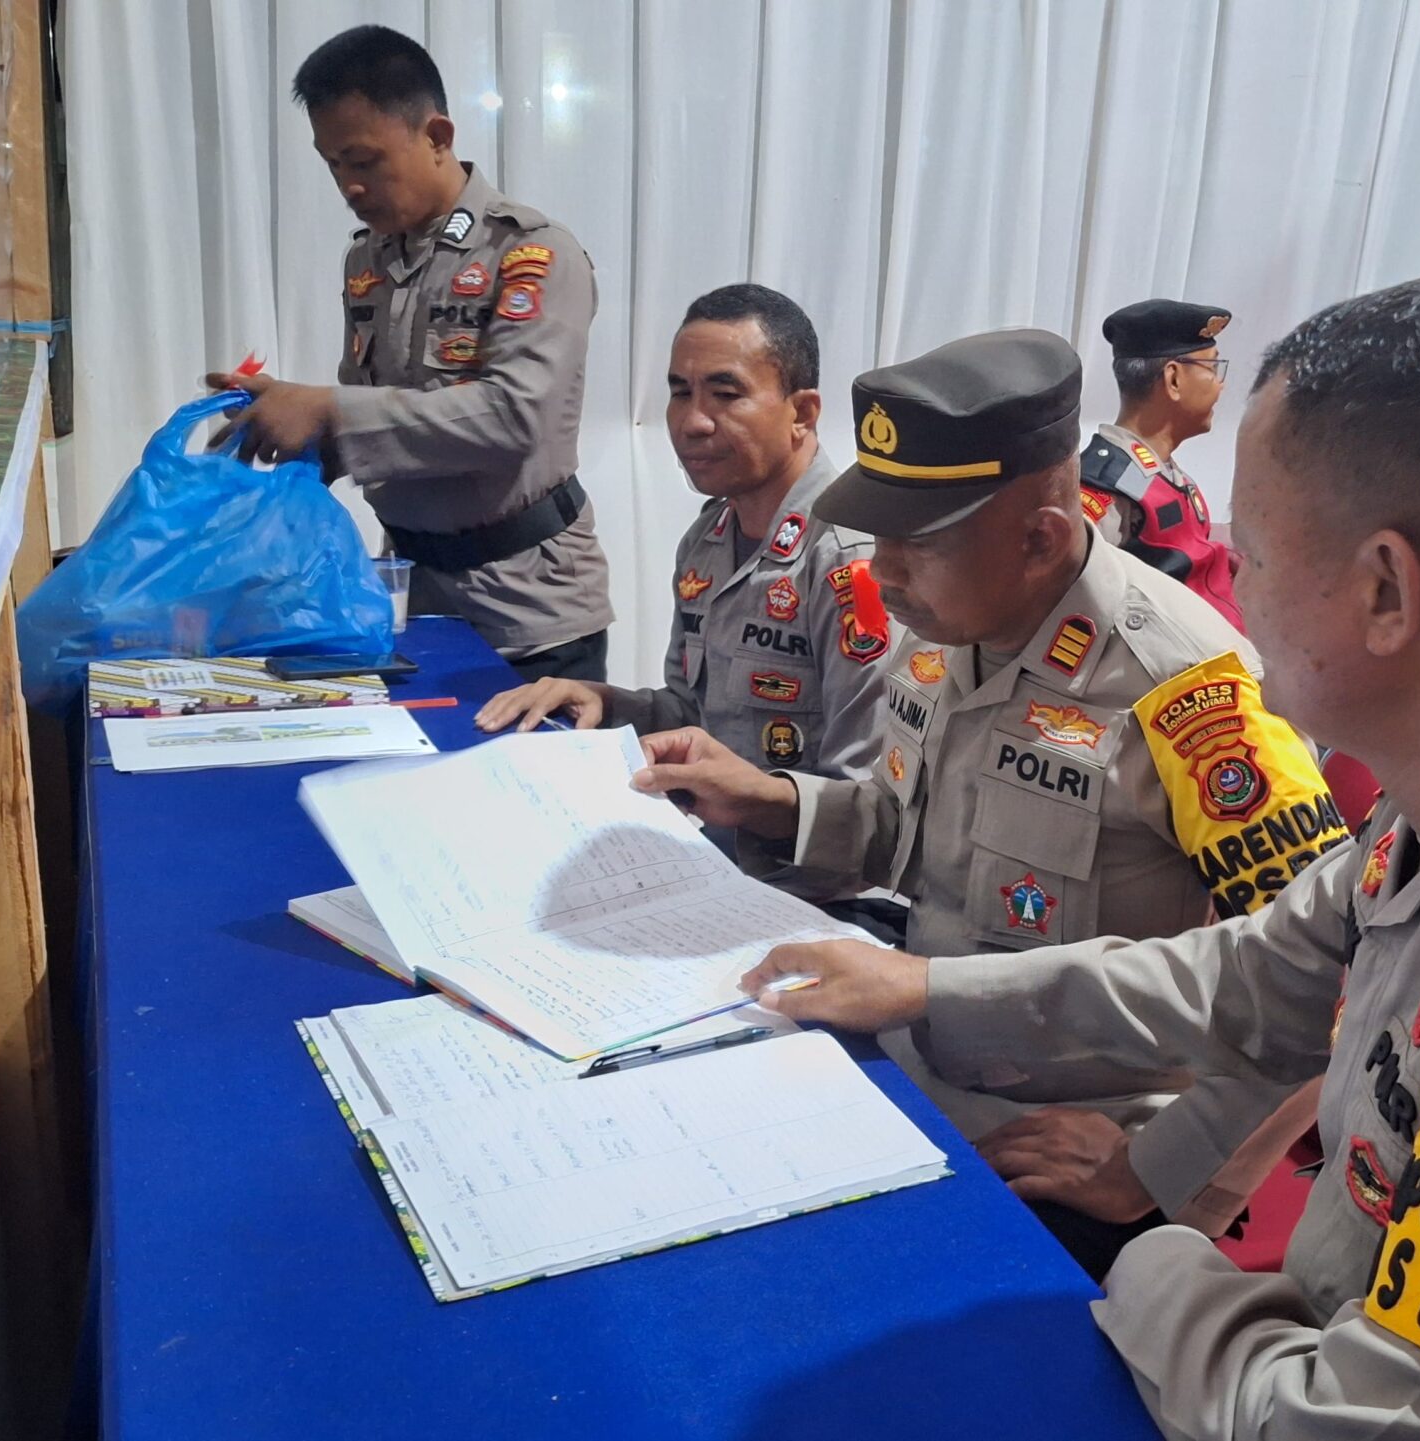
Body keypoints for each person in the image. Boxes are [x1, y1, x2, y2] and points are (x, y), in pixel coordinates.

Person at [737, 276, 1420, 1438]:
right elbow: (1250, 975)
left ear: (1384, 590)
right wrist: (926, 989)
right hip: (1299, 1340)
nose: (1231, 593)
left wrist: (1146, 1256)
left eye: (1250, 555)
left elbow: (1347, 1427)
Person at [633, 328, 1353, 1274]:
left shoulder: (1188, 692)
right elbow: (913, 834)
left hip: (1071, 1141)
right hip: (919, 1068)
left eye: (917, 544)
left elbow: (1324, 984)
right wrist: (771, 800)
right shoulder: (946, 621)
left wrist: (1156, 1170)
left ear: (1039, 538)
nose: (883, 571)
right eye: (880, 534)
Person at [207, 26, 612, 682]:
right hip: (410, 598)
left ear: (438, 137)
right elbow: (382, 420)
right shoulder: (367, 260)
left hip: (529, 613)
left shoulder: (530, 254)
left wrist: (328, 410)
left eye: (364, 162)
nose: (349, 187)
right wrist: (287, 426)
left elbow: (516, 417)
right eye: (333, 165)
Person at [473, 284, 888, 901]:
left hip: (809, 901)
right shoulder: (710, 536)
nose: (693, 421)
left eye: (726, 394)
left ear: (802, 413)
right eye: (679, 392)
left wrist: (755, 807)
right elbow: (698, 716)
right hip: (707, 869)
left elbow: (873, 814)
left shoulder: (854, 564)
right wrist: (604, 703)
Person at [1082, 300, 1245, 628]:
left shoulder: (1166, 475)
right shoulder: (1107, 487)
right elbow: (1081, 603)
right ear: (1173, 379)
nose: (1221, 384)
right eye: (1213, 368)